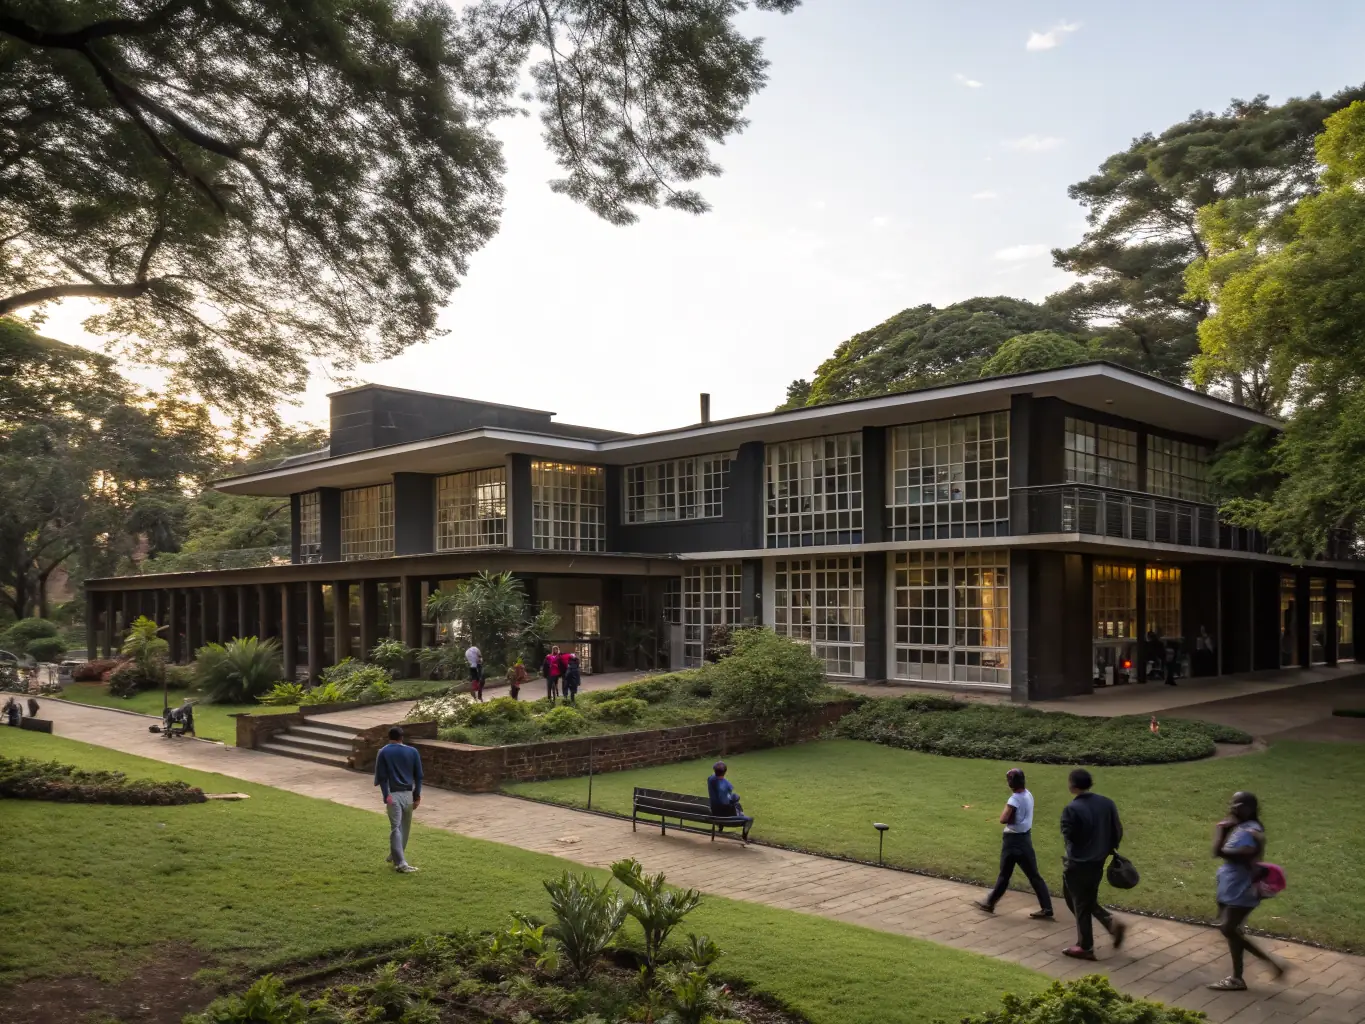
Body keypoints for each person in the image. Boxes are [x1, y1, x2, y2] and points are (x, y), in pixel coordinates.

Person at [1208, 792, 1285, 990]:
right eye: (1232, 803)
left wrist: (1222, 834)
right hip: (1230, 885)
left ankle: (1270, 965)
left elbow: (1223, 853)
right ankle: (1237, 978)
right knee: (1232, 931)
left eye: (1239, 804)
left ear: (1250, 808)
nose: (1233, 807)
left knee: (1228, 929)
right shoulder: (1241, 827)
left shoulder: (1252, 832)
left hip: (1242, 888)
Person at [1059, 768, 1127, 959]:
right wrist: (1108, 849)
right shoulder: (1107, 804)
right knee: (1086, 898)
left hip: (1077, 863)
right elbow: (1117, 830)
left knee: (1077, 902)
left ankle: (1086, 946)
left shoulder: (1072, 809)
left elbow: (1069, 836)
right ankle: (1110, 923)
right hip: (1098, 862)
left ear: (1072, 785)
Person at [973, 768, 1054, 919]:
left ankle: (989, 903)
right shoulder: (1028, 794)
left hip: (1012, 841)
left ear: (1011, 782)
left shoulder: (1014, 799)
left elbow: (1003, 819)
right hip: (1025, 839)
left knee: (1004, 874)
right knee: (1034, 875)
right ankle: (1047, 907)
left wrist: (1008, 812)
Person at [373, 726, 422, 873]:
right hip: (408, 794)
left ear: (389, 737)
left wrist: (385, 796)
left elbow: (381, 777)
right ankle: (400, 862)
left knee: (396, 828)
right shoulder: (413, 752)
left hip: (392, 795)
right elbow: (418, 776)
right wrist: (417, 795)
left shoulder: (383, 752)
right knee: (404, 828)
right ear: (402, 737)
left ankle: (397, 859)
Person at [706, 761, 753, 839]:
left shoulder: (710, 779)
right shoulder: (723, 788)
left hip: (714, 810)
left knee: (737, 805)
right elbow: (725, 802)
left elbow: (715, 776)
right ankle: (744, 836)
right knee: (749, 819)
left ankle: (721, 828)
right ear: (725, 772)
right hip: (725, 816)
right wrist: (734, 798)